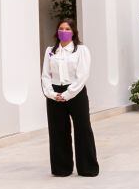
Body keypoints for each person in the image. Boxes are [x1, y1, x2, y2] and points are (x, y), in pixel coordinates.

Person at [40, 18, 98, 177]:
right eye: (61, 28)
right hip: (54, 94)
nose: (63, 32)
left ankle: (87, 168)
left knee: (83, 129)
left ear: (73, 32)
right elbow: (45, 75)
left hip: (75, 92)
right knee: (58, 131)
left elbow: (82, 75)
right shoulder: (50, 51)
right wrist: (51, 93)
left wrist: (67, 94)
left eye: (67, 29)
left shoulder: (81, 50)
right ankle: (61, 168)